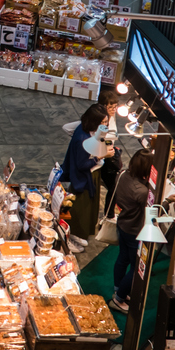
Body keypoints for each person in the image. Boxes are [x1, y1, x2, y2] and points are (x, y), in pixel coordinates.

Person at [62, 103, 111, 253]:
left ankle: (76, 235)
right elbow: (82, 164)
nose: (106, 125)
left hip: (90, 176)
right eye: (103, 122)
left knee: (86, 209)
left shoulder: (85, 129)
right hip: (82, 178)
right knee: (77, 210)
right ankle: (68, 238)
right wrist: (101, 156)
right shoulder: (82, 139)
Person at [110, 150, 153, 314]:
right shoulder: (142, 192)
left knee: (122, 258)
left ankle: (118, 288)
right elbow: (152, 207)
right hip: (135, 231)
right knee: (136, 268)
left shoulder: (122, 175)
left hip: (122, 224)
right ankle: (119, 298)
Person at [97, 88, 124, 206]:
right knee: (113, 187)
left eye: (115, 107)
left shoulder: (112, 116)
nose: (114, 110)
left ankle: (110, 213)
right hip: (102, 155)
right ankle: (110, 214)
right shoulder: (100, 120)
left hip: (109, 153)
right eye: (111, 107)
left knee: (114, 187)